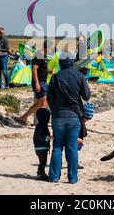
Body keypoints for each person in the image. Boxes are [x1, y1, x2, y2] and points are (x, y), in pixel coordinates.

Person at [47, 54, 91, 184]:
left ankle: (54, 177)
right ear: (72, 63)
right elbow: (87, 96)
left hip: (58, 116)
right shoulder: (79, 76)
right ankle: (72, 178)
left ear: (60, 63)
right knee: (72, 147)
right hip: (74, 116)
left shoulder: (55, 78)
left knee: (57, 147)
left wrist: (55, 110)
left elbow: (49, 98)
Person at [21, 40, 50, 125]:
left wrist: (48, 71)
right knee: (41, 103)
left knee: (41, 103)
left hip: (43, 82)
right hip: (39, 82)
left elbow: (41, 67)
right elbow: (34, 69)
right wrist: (37, 83)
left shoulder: (43, 56)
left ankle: (29, 118)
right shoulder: (39, 55)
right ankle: (25, 117)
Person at [33, 108, 51, 181]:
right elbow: (40, 136)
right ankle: (40, 174)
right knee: (43, 162)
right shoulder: (41, 126)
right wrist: (49, 137)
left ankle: (41, 173)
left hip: (40, 147)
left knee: (42, 161)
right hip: (41, 147)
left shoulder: (41, 125)